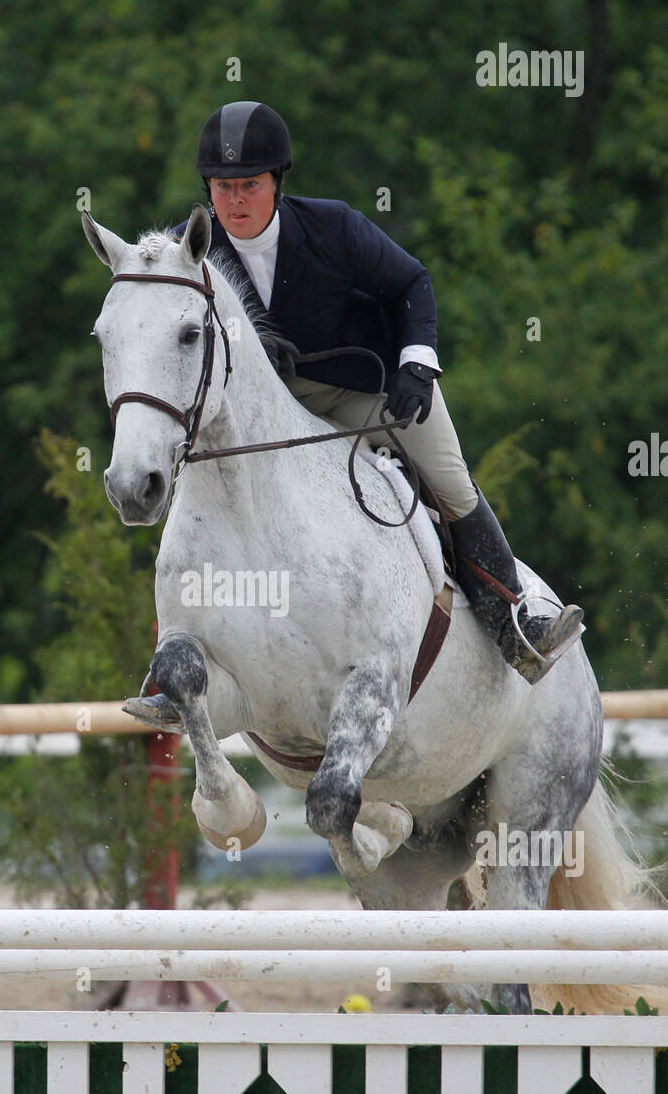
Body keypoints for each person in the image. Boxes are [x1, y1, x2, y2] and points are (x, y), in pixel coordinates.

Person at [169, 100, 585, 685]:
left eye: (248, 185)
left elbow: (411, 281)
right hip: (277, 411)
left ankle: (514, 624)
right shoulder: (188, 249)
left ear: (277, 183)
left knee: (450, 481)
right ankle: (176, 658)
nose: (233, 201)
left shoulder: (333, 226)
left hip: (369, 390)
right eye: (221, 187)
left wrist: (418, 362)